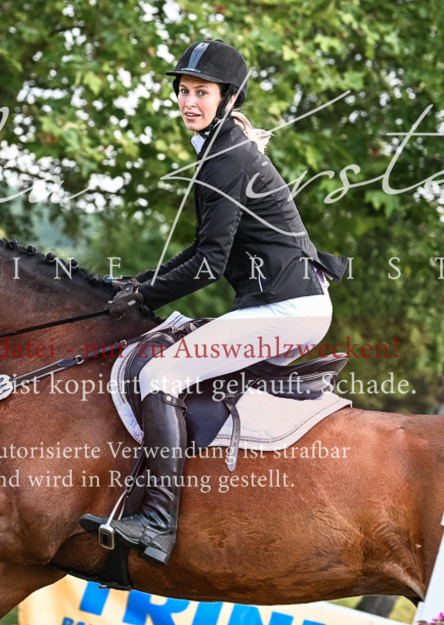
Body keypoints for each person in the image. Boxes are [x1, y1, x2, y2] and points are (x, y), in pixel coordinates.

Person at [79, 39, 349, 566]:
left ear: (227, 98)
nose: (188, 102)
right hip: (283, 305)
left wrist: (145, 296)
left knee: (160, 376)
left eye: (200, 92)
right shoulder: (221, 151)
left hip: (286, 310)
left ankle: (156, 523)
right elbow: (202, 251)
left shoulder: (226, 158)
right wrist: (139, 283)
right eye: (183, 91)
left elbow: (207, 262)